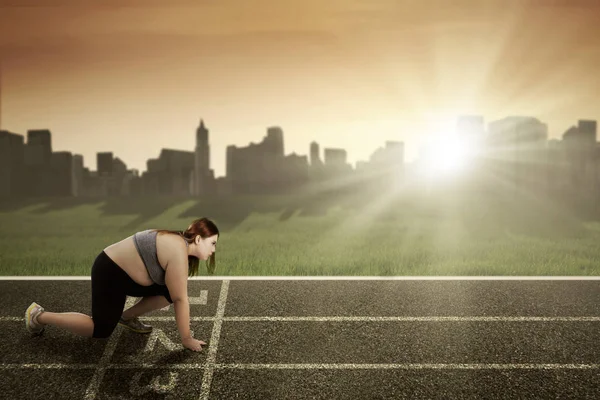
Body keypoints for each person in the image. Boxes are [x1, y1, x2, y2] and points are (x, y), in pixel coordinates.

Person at [25, 217, 219, 352]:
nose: (213, 250)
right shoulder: (177, 249)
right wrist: (186, 339)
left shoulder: (180, 246)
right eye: (212, 243)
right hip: (110, 273)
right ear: (199, 238)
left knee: (168, 291)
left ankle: (126, 318)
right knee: (100, 329)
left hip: (130, 278)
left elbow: (175, 293)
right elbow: (181, 300)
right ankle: (39, 316)